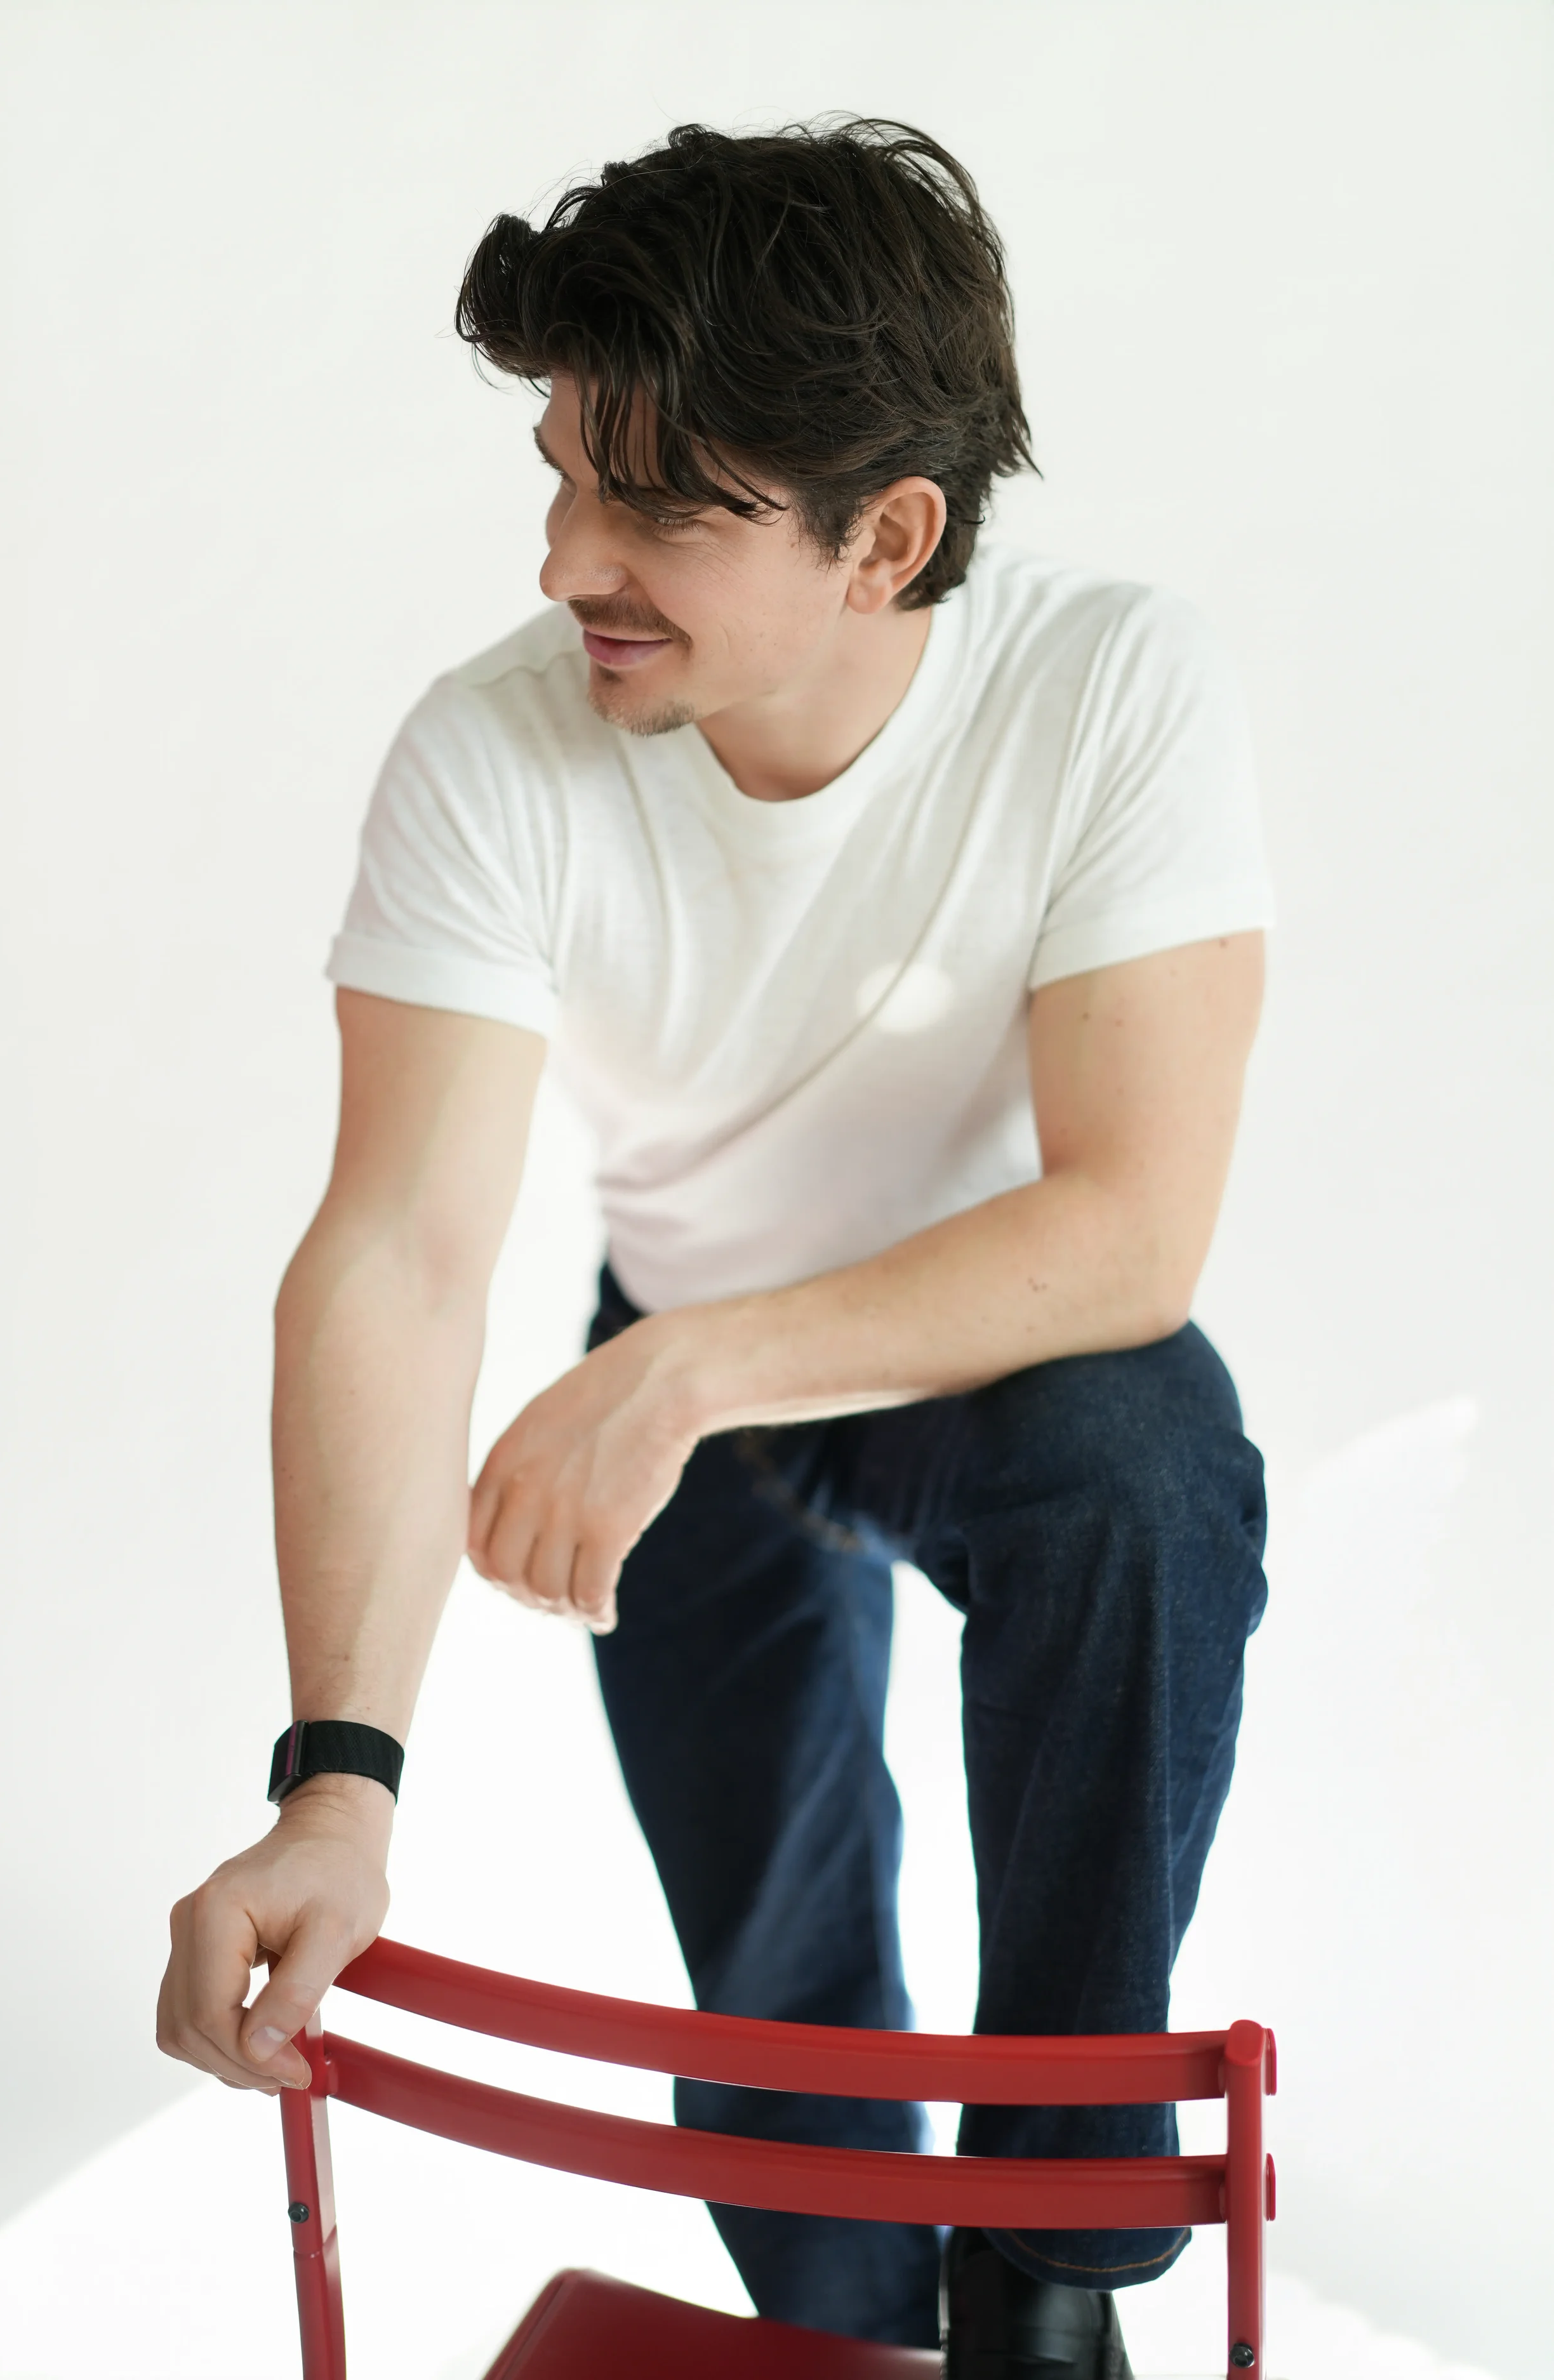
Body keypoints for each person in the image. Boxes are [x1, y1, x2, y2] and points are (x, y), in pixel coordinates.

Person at [156, 118, 1272, 2378]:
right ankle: (867, 2341)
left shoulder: (1108, 687)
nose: (571, 555)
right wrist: (337, 1779)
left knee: (1151, 1459)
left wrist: (680, 1368)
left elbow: (1129, 1229)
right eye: (563, 474)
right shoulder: (493, 756)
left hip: (988, 1356)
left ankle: (1045, 2274)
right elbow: (392, 1249)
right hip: (681, 1381)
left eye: (655, 504)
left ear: (887, 538)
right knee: (773, 2012)